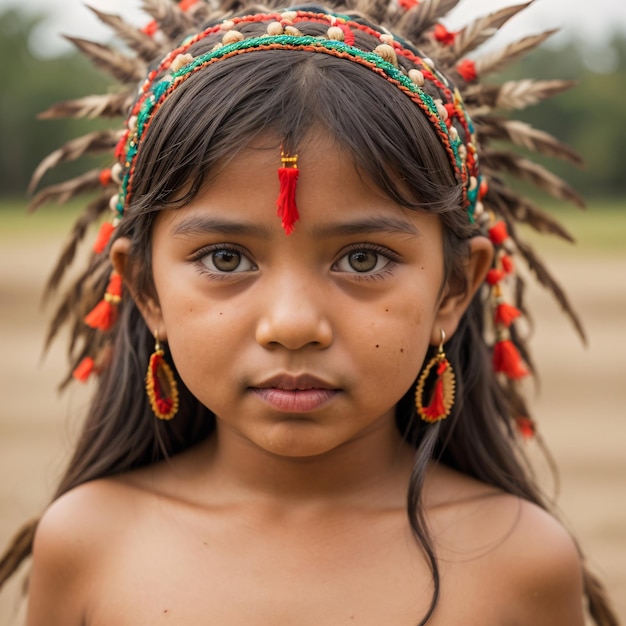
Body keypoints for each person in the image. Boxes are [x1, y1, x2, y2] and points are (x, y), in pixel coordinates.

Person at [0, 0, 619, 624]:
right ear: (145, 290)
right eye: (225, 258)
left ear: (454, 289)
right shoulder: (86, 544)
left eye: (362, 260)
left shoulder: (522, 563)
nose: (293, 325)